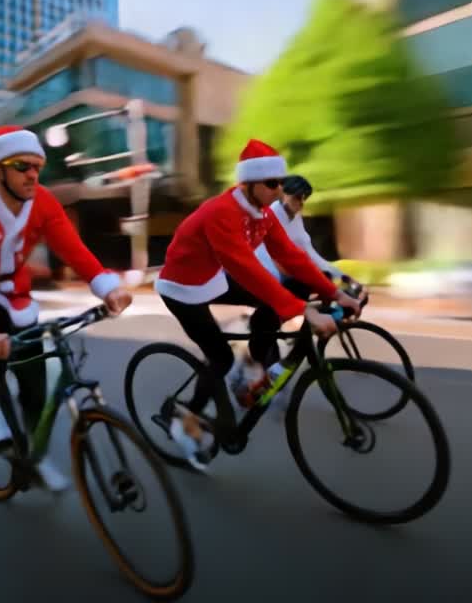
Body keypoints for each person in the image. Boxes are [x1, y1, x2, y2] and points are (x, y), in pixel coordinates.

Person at [0, 125, 133, 491]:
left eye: (37, 167)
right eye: (21, 166)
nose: (32, 174)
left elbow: (73, 249)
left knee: (36, 384)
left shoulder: (42, 202)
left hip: (16, 293)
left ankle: (31, 454)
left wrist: (106, 287)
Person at [154, 139, 362, 470]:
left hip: (214, 277)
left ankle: (257, 368)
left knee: (273, 306)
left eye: (281, 183)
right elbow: (246, 269)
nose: (279, 191)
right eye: (271, 183)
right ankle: (186, 418)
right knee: (219, 358)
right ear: (248, 183)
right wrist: (301, 309)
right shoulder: (221, 212)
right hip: (182, 288)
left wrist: (335, 293)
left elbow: (291, 257)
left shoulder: (262, 214)